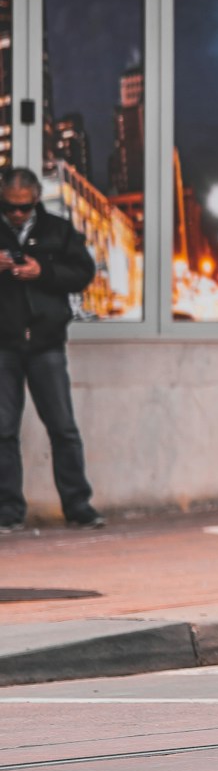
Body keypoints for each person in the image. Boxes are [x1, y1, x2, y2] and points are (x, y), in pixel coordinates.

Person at [0, 168, 104, 530]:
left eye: (23, 208)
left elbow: (83, 272)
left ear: (36, 200)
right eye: (9, 207)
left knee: (63, 428)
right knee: (3, 430)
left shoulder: (58, 230)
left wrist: (42, 271)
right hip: (4, 344)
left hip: (45, 342)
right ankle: (8, 512)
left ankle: (79, 507)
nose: (16, 215)